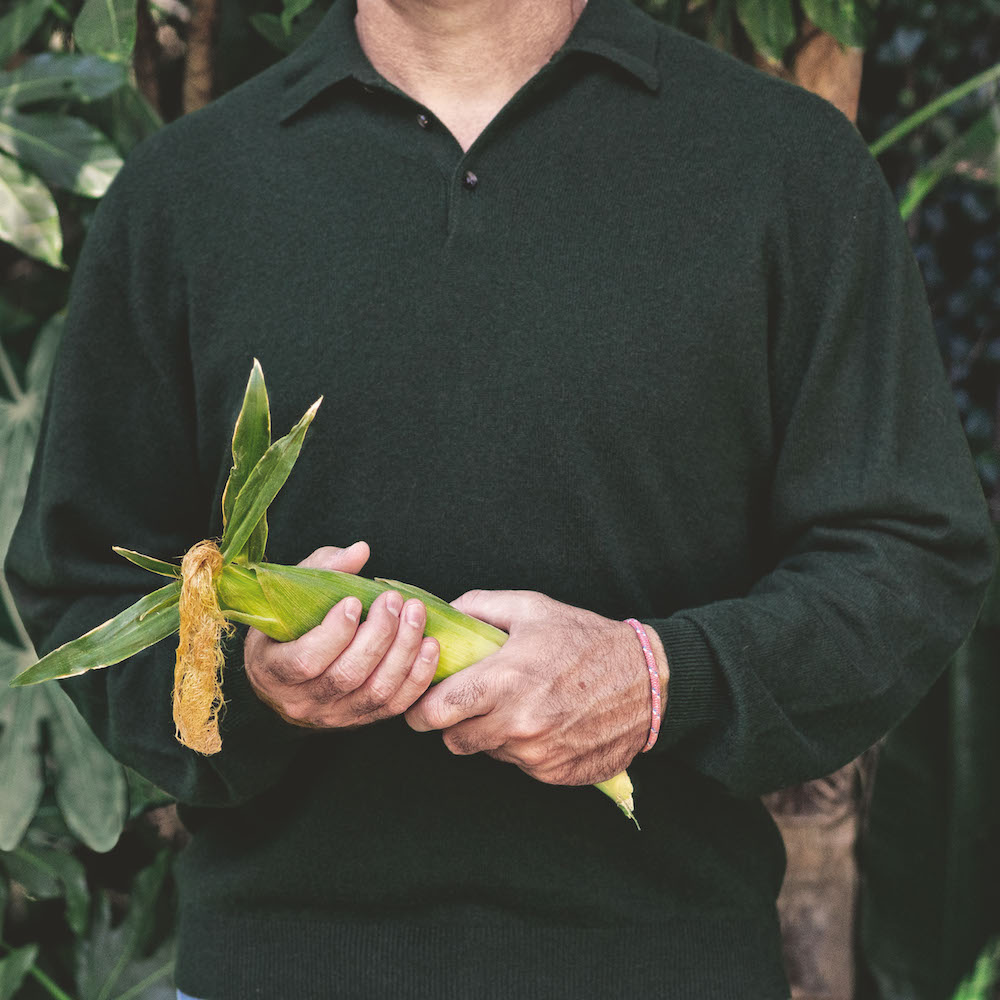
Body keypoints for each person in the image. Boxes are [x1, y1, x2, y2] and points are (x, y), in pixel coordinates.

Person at [6, 0, 997, 996]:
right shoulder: (187, 189)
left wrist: (663, 678)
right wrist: (253, 685)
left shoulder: (780, 164)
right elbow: (85, 578)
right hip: (278, 970)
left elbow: (907, 549)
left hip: (668, 964)